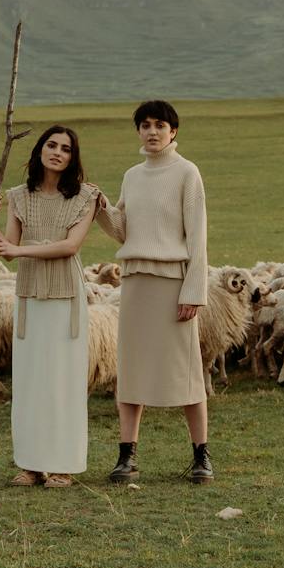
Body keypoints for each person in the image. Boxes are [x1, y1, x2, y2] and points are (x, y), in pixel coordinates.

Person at [94, 99, 212, 484]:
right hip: (135, 283)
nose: (152, 131)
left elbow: (197, 234)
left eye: (160, 125)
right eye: (145, 125)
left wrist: (193, 290)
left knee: (187, 370)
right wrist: (101, 208)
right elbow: (123, 230)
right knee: (131, 371)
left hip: (173, 284)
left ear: (173, 131)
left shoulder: (186, 173)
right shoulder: (132, 175)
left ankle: (201, 456)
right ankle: (127, 457)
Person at [0, 124, 99, 488]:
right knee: (32, 380)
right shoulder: (18, 196)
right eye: (51, 145)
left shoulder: (85, 197)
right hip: (30, 295)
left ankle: (63, 466)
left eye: (66, 149)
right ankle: (31, 465)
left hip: (65, 296)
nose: (57, 152)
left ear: (72, 158)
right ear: (38, 151)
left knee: (63, 380)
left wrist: (19, 250)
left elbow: (70, 247)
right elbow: (7, 247)